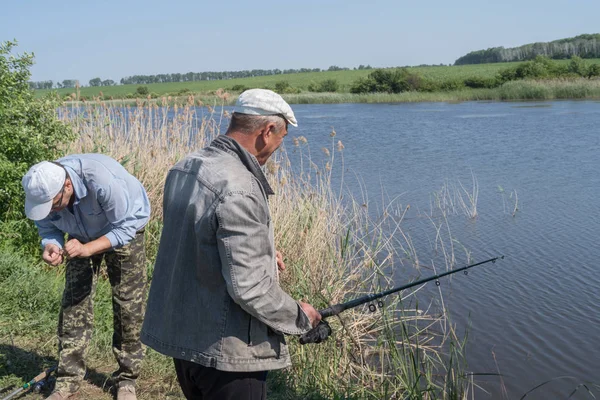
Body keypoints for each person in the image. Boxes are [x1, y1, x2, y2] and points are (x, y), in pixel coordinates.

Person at [141, 89, 321, 399]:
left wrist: (261, 248)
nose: (278, 148)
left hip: (187, 343)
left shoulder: (186, 166)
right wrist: (301, 317)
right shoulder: (240, 186)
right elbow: (249, 287)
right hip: (228, 357)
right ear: (267, 131)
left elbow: (200, 240)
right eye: (282, 139)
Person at [21, 153, 151, 400]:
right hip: (81, 233)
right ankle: (67, 382)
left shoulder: (101, 180)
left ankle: (126, 380)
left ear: (67, 186)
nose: (49, 210)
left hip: (124, 227)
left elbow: (125, 228)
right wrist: (51, 245)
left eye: (53, 204)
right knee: (74, 303)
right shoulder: (45, 188)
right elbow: (48, 227)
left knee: (128, 304)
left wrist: (88, 249)